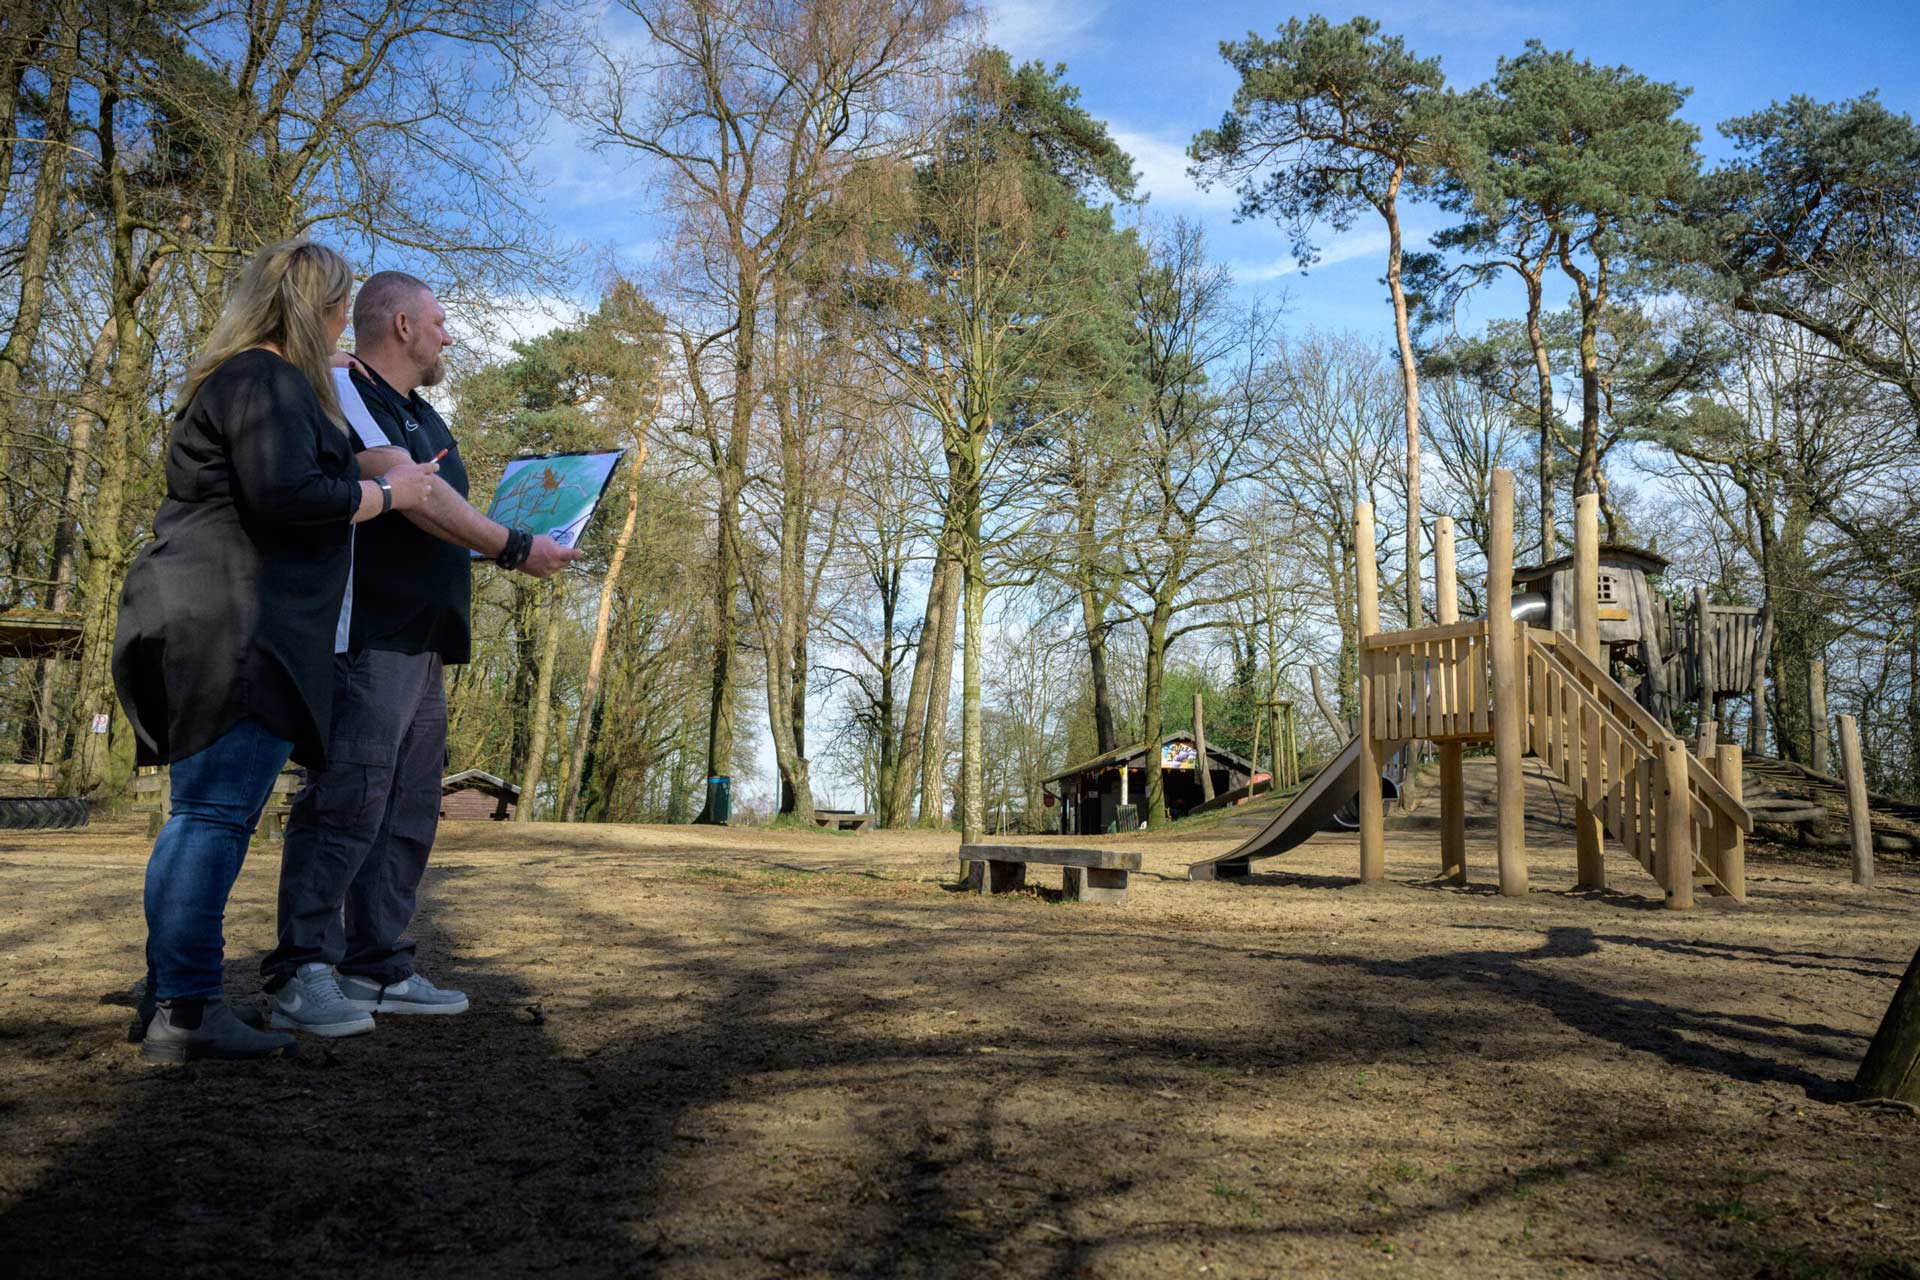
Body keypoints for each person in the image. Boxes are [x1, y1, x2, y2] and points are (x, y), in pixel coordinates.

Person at [113, 240, 441, 1063]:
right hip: (234, 628)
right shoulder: (264, 382)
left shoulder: (246, 381)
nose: (343, 328)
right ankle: (187, 1008)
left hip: (210, 618)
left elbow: (280, 476)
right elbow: (287, 494)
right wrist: (386, 494)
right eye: (337, 310)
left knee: (198, 818)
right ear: (312, 309)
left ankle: (167, 998)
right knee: (214, 819)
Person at [261, 271, 577, 1037]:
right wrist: (514, 546)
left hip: (423, 639)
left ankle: (376, 965)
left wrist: (523, 523)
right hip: (365, 633)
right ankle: (300, 969)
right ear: (400, 325)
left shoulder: (421, 412)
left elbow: (444, 511)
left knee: (407, 810)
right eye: (439, 321)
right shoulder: (345, 391)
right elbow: (419, 497)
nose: (449, 335)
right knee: (348, 800)